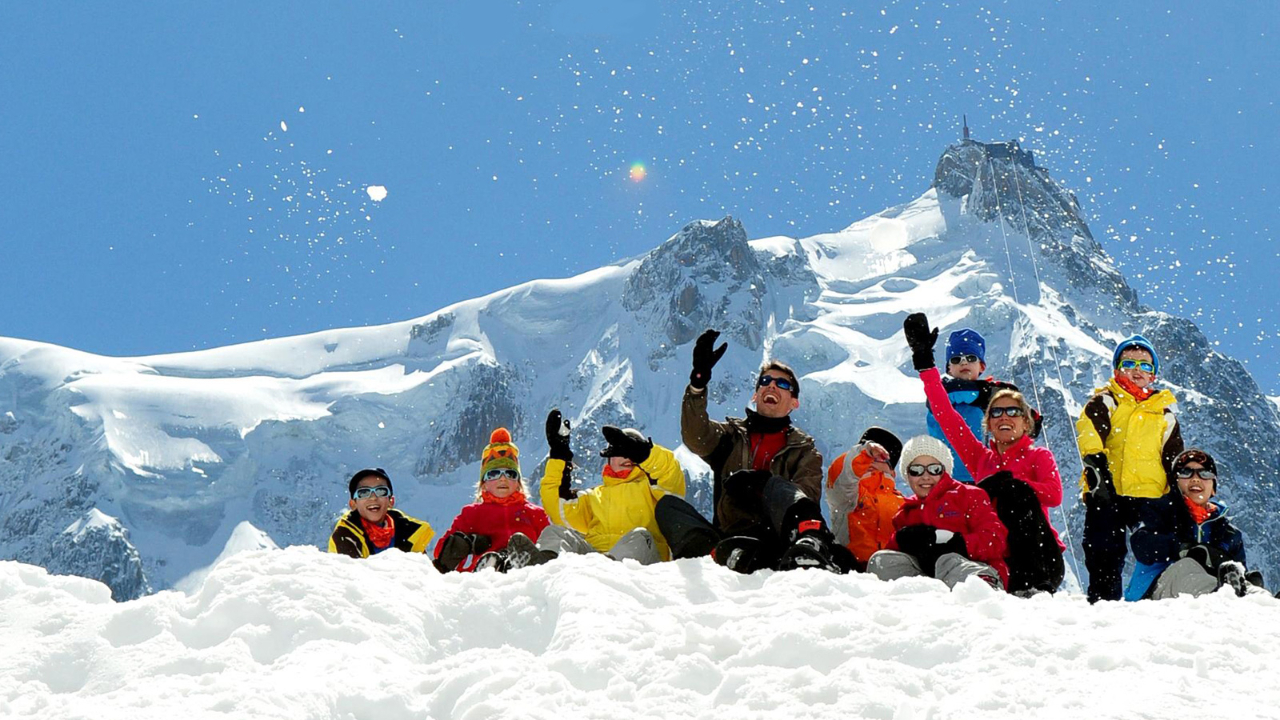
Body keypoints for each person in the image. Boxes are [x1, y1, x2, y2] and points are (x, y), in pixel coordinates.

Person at [656, 328, 846, 573]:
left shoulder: (803, 449)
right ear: (756, 395)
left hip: (780, 535)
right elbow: (696, 437)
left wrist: (762, 485)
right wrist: (698, 383)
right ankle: (715, 553)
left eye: (782, 384)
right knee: (668, 506)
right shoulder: (731, 437)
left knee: (779, 487)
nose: (772, 387)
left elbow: (807, 495)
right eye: (765, 381)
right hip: (731, 534)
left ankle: (808, 546)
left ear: (794, 403)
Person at [904, 313, 1065, 594]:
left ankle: (1032, 586)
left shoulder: (1039, 456)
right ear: (988, 424)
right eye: (997, 412)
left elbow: (1053, 495)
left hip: (1040, 558)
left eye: (1013, 411)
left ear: (1025, 422)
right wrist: (925, 364)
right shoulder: (980, 458)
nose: (1005, 417)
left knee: (1014, 494)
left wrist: (1012, 482)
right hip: (998, 552)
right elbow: (945, 414)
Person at [1076, 334, 1184, 603]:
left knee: (1154, 549)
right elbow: (1090, 429)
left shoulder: (1163, 413)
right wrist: (1096, 464)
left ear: (1154, 376)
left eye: (1145, 366)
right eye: (1129, 363)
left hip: (1150, 494)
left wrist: (1177, 488)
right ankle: (1103, 602)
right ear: (1117, 370)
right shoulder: (1107, 401)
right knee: (1103, 548)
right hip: (1107, 488)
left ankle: (1146, 599)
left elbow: (1173, 456)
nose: (1137, 370)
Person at [538, 409, 685, 564]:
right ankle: (540, 566)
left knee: (641, 536)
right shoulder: (594, 496)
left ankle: (611, 567)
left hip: (640, 562)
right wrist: (559, 455)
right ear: (609, 459)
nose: (626, 457)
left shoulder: (655, 489)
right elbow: (558, 508)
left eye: (631, 452)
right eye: (619, 452)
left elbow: (669, 472)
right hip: (596, 558)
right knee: (555, 532)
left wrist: (644, 452)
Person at [866, 436, 1009, 589]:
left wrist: (958, 543)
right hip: (928, 577)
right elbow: (897, 556)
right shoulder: (906, 512)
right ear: (908, 476)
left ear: (944, 471)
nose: (925, 477)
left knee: (948, 560)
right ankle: (921, 596)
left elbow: (996, 540)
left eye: (934, 469)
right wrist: (901, 539)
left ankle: (980, 590)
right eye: (916, 470)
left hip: (971, 567)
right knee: (881, 560)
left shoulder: (968, 495)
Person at [1127, 449, 1266, 600]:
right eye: (1186, 473)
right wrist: (1182, 549)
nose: (1195, 479)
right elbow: (1143, 546)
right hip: (1153, 594)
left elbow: (1234, 573)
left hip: (1212, 585)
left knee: (1247, 584)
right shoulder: (1160, 512)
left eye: (1205, 473)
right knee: (1187, 565)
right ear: (1175, 483)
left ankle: (1266, 603)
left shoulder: (1229, 533)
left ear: (1213, 488)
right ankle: (1224, 597)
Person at [433, 428, 551, 573]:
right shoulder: (472, 515)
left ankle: (511, 563)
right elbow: (440, 553)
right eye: (494, 474)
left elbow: (549, 546)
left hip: (527, 576)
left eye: (510, 474)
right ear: (484, 483)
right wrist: (467, 542)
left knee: (530, 544)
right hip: (482, 581)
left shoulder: (535, 514)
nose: (503, 478)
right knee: (494, 559)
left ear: (518, 482)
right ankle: (495, 566)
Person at [925, 328, 1017, 483]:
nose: (964, 361)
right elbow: (959, 392)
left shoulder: (987, 394)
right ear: (949, 368)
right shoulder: (942, 389)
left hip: (983, 476)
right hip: (949, 477)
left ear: (981, 366)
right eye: (956, 359)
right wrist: (987, 392)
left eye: (971, 357)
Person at [825, 427, 906, 571]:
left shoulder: (904, 504)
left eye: (879, 458)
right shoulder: (848, 494)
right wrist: (864, 452)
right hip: (852, 570)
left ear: (892, 472)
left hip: (892, 573)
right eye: (867, 457)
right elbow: (840, 475)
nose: (870, 462)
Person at [328, 468, 435, 559]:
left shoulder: (410, 533)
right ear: (353, 504)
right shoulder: (345, 536)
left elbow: (424, 575)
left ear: (391, 501)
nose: (373, 497)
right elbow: (355, 579)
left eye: (381, 491)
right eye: (364, 493)